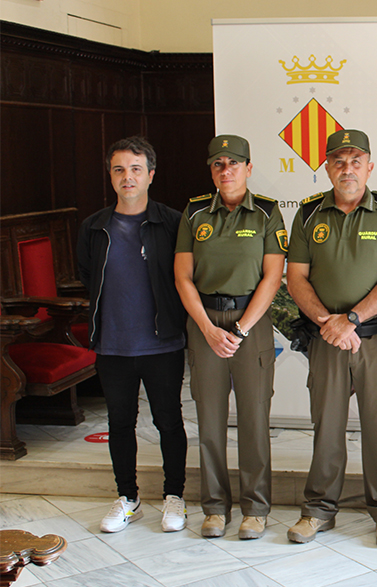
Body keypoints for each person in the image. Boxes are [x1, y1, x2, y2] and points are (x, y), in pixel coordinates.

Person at [286, 129, 377, 547]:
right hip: (327, 338)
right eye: (339, 160)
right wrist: (329, 322)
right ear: (326, 167)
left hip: (374, 338)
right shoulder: (307, 214)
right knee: (327, 424)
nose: (347, 168)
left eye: (356, 160)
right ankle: (319, 509)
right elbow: (296, 277)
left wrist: (353, 318)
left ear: (369, 166)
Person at [174, 134, 286, 540]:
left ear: (249, 168)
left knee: (255, 419)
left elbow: (273, 277)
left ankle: (255, 508)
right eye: (218, 164)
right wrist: (207, 328)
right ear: (211, 169)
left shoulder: (268, 213)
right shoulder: (194, 213)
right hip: (204, 320)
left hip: (250, 324)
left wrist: (238, 329)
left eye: (234, 163)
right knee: (210, 421)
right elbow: (182, 277)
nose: (226, 170)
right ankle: (215, 507)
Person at [77, 136, 188, 534]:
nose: (128, 177)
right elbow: (88, 277)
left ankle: (175, 496)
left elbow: (184, 279)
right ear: (110, 176)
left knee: (168, 422)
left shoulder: (173, 223)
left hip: (162, 342)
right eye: (119, 169)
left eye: (136, 169)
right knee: (120, 423)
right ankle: (128, 498)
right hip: (113, 345)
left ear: (151, 175)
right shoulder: (94, 227)